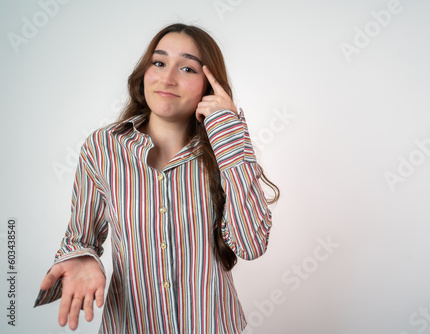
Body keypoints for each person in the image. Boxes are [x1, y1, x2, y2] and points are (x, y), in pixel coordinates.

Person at [34, 23, 279, 333]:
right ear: (144, 72)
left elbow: (251, 244)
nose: (168, 77)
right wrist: (82, 256)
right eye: (159, 62)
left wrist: (228, 134)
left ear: (208, 86)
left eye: (188, 68)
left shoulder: (225, 149)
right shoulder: (103, 146)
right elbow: (80, 238)